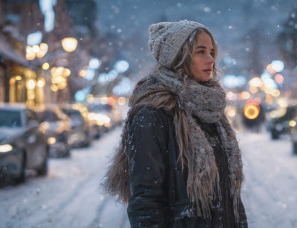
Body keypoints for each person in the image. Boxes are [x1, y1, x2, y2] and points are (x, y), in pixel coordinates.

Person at [102, 20, 248, 228]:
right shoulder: (153, 114)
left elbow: (229, 195)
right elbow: (145, 200)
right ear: (178, 58)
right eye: (200, 52)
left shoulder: (210, 110)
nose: (211, 60)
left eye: (212, 52)